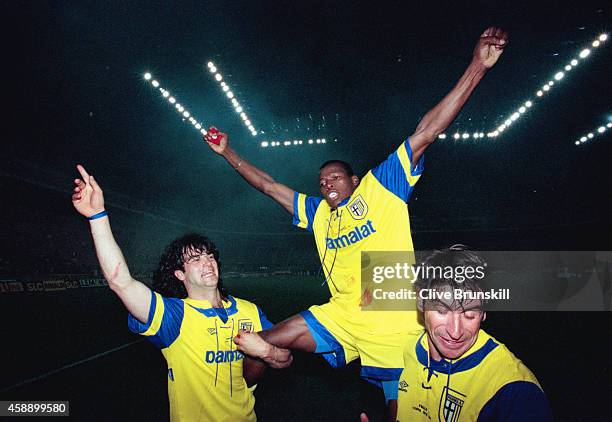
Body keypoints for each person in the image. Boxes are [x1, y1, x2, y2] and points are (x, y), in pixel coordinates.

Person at [204, 27, 509, 417]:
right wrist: (228, 153)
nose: (326, 183)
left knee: (405, 412)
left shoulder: (380, 187)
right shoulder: (316, 213)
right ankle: (235, 406)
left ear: (354, 180)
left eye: (334, 177)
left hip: (393, 323)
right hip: (342, 314)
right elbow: (267, 185)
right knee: (257, 342)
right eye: (321, 180)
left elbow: (427, 131)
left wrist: (477, 68)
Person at [71, 164, 291, 422]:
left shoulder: (249, 310)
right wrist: (97, 216)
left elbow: (284, 359)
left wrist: (266, 352)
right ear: (180, 275)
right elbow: (121, 282)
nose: (207, 262)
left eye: (209, 256)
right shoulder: (172, 317)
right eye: (195, 260)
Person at [392, 245, 553, 421]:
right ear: (421, 303)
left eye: (469, 315)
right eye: (442, 311)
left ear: (483, 312)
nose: (455, 332)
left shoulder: (514, 391)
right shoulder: (411, 349)